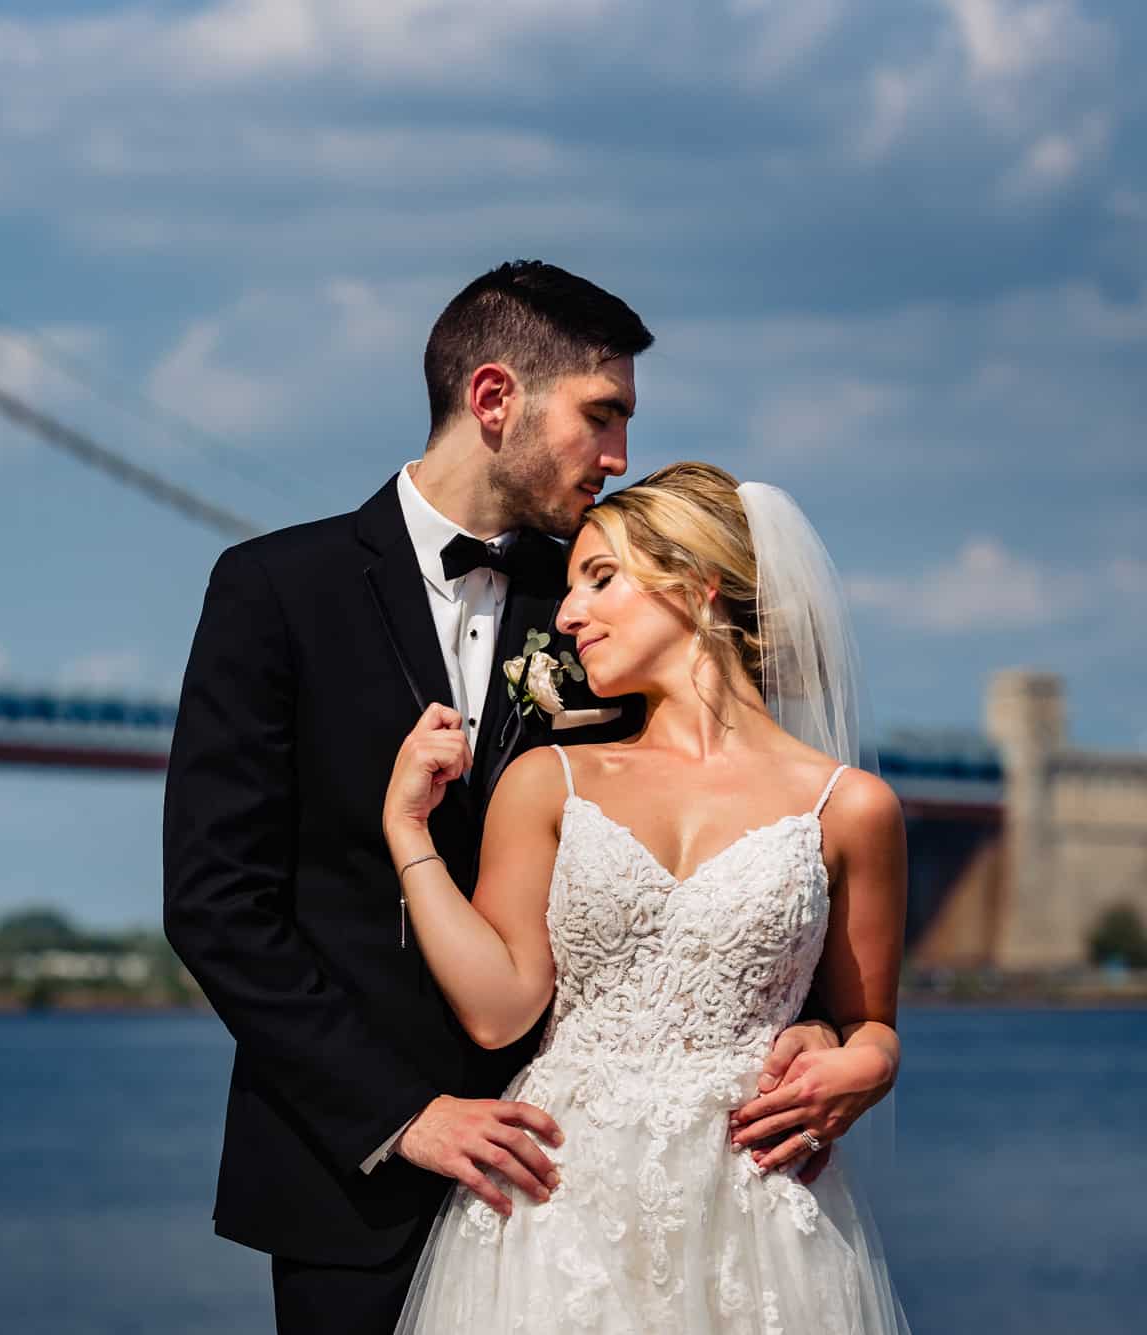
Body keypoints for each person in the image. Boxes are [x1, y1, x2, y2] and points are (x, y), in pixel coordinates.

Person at [162, 263, 866, 1334]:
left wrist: (814, 1032)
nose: (619, 458)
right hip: (351, 1180)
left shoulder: (603, 599)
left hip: (599, 1196)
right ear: (495, 400)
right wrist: (400, 1116)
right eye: (601, 415)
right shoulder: (271, 592)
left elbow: (721, 832)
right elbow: (216, 905)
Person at [382, 461, 908, 1332]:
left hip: (754, 1216)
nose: (566, 614)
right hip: (558, 1205)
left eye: (600, 578)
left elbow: (867, 1020)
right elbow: (498, 1010)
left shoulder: (851, 807)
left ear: (698, 585)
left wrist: (872, 1063)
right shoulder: (547, 779)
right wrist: (407, 830)